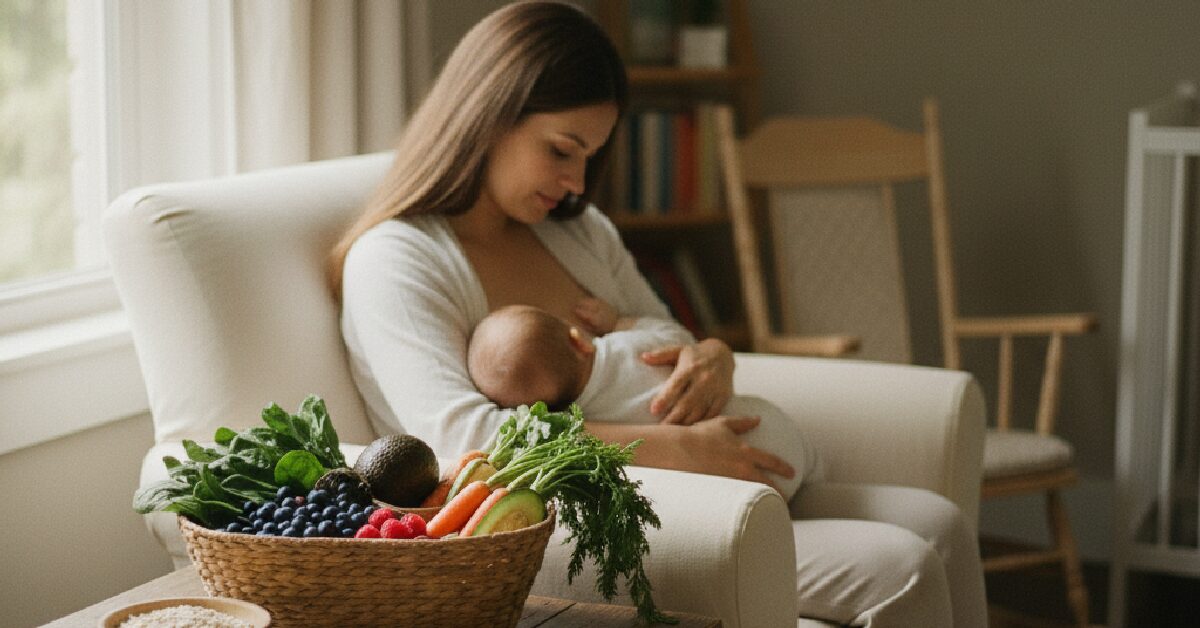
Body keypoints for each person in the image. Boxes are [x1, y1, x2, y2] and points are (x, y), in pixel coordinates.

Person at [331, 2, 986, 625]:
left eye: (589, 156)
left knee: (939, 522)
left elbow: (664, 333)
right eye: (561, 150)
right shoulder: (397, 259)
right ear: (487, 116)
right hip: (559, 519)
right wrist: (673, 448)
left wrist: (713, 357)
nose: (577, 184)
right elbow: (462, 441)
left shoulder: (576, 232)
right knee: (899, 565)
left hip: (699, 475)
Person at [465, 302, 821, 499]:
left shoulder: (585, 416)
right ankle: (811, 465)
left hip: (746, 488)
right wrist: (620, 320)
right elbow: (679, 337)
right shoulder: (633, 348)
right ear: (579, 341)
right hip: (771, 428)